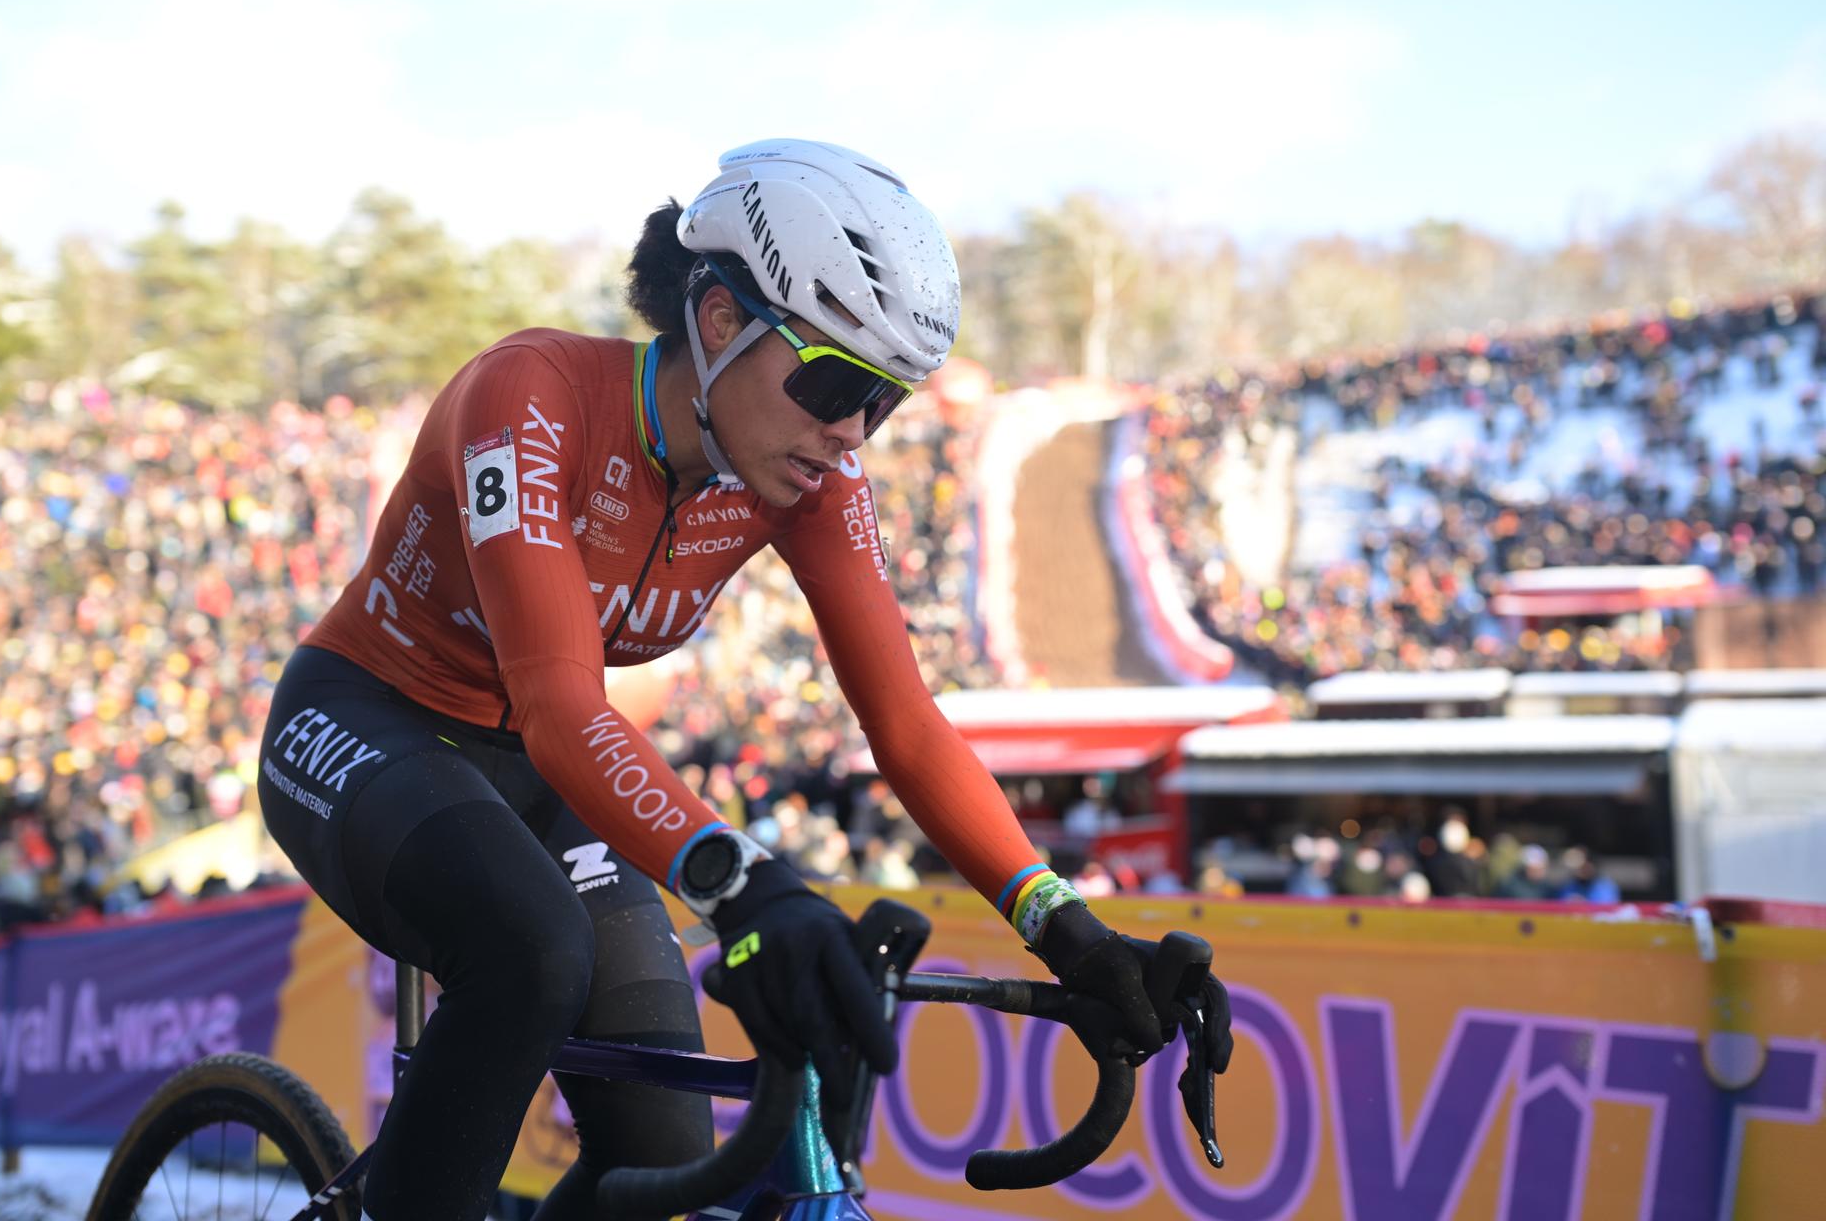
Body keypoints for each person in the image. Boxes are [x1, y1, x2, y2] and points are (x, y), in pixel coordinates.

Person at [256, 139, 1231, 1221]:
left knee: (664, 1156)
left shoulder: (808, 477)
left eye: (885, 402)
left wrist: (1066, 927)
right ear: (718, 319)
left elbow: (905, 723)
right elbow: (560, 704)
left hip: (541, 779)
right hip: (370, 720)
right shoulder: (528, 395)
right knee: (531, 952)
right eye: (833, 381)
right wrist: (746, 884)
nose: (852, 430)